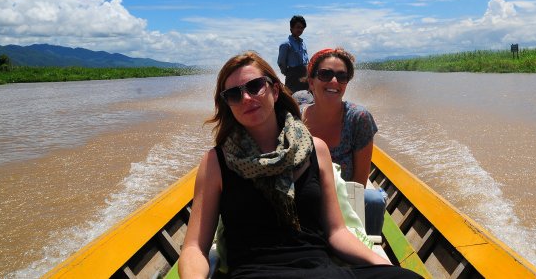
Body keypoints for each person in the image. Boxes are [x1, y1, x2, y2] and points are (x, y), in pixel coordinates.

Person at [178, 52, 420, 279]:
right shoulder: (216, 162)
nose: (247, 98)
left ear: (274, 90)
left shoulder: (316, 150)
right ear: (228, 104)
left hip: (321, 272)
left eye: (255, 86)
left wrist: (383, 265)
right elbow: (194, 247)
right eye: (234, 94)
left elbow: (337, 232)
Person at [301, 48, 386, 236]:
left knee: (374, 201)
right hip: (304, 203)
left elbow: (358, 184)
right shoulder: (296, 118)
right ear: (311, 82)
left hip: (345, 203)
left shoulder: (358, 118)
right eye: (325, 74)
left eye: (342, 76)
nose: (334, 81)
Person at [277, 15, 309, 93]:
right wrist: (288, 73)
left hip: (305, 76)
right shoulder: (286, 44)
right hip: (293, 77)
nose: (300, 30)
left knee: (306, 97)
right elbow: (281, 62)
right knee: (292, 97)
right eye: (298, 27)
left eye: (302, 28)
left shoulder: (303, 43)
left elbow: (306, 60)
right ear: (291, 28)